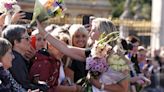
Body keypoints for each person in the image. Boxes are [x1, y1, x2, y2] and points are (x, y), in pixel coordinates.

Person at [36, 17, 129, 92]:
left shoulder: (116, 56)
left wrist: (99, 85)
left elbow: (123, 88)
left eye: (93, 30)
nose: (90, 32)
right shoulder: (93, 52)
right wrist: (43, 32)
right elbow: (66, 49)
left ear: (102, 32)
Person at [2, 25, 48, 91]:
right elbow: (24, 86)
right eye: (27, 38)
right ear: (16, 42)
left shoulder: (19, 57)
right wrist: (43, 87)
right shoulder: (15, 60)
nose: (30, 40)